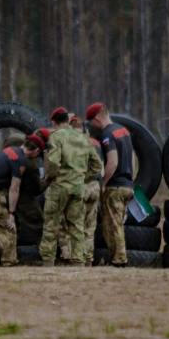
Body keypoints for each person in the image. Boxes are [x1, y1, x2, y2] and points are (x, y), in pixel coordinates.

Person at [38, 107, 101, 267]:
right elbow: (97, 165)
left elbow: (52, 162)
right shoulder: (82, 138)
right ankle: (78, 262)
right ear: (67, 119)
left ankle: (48, 262)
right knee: (77, 226)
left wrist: (49, 178)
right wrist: (81, 177)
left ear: (54, 121)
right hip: (78, 187)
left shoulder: (56, 137)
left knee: (51, 224)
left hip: (59, 187)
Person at [0, 134, 44, 266]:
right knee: (7, 229)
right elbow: (14, 188)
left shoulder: (9, 150)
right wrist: (11, 214)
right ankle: (9, 262)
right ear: (36, 151)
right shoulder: (21, 160)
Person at [86, 102, 134, 267]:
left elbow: (112, 162)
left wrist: (103, 183)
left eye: (92, 120)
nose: (92, 125)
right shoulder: (123, 130)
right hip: (128, 185)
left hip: (115, 186)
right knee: (115, 223)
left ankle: (120, 260)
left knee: (113, 226)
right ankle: (117, 258)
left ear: (98, 117)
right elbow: (131, 158)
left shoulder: (107, 134)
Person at [60, 113, 103, 266]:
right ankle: (88, 260)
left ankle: (73, 260)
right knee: (89, 228)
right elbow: (99, 167)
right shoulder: (92, 142)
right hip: (94, 187)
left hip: (78, 187)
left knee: (72, 226)